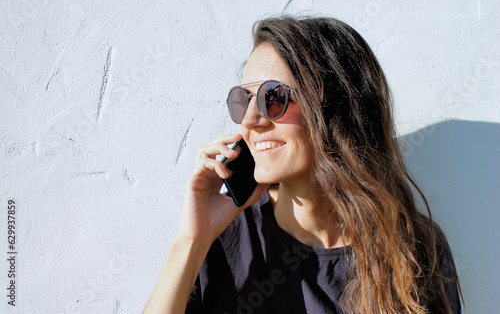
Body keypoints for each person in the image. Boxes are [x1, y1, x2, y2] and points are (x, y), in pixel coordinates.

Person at [143, 16, 462, 314]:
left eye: (274, 97)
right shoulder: (222, 236)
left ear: (336, 110)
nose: (251, 121)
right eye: (245, 99)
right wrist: (192, 241)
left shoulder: (411, 250)